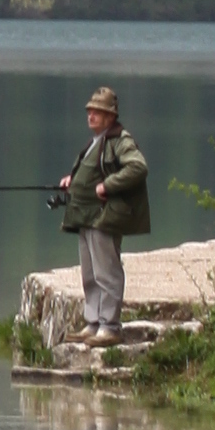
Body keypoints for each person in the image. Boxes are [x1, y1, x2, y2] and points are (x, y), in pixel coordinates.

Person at [52, 83, 150, 344]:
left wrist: (108, 186)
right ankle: (93, 322)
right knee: (90, 273)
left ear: (110, 117)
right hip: (86, 218)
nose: (91, 116)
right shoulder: (97, 142)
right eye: (90, 111)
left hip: (104, 217)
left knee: (107, 272)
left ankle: (110, 327)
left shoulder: (120, 140)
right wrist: (71, 180)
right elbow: (91, 172)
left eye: (97, 112)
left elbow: (138, 168)